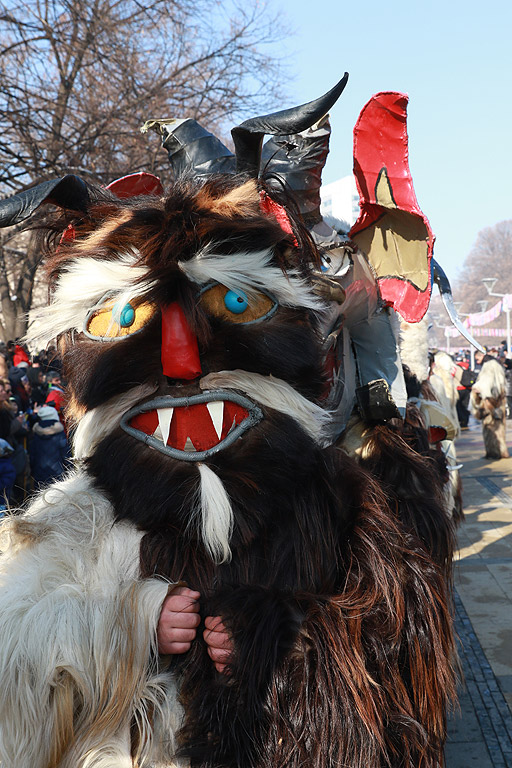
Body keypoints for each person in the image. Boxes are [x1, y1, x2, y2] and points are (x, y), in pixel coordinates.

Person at [29, 405, 70, 488]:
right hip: (57, 472)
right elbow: (65, 454)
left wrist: (33, 470)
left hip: (39, 471)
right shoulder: (59, 433)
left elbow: (32, 454)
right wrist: (70, 469)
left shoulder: (36, 433)